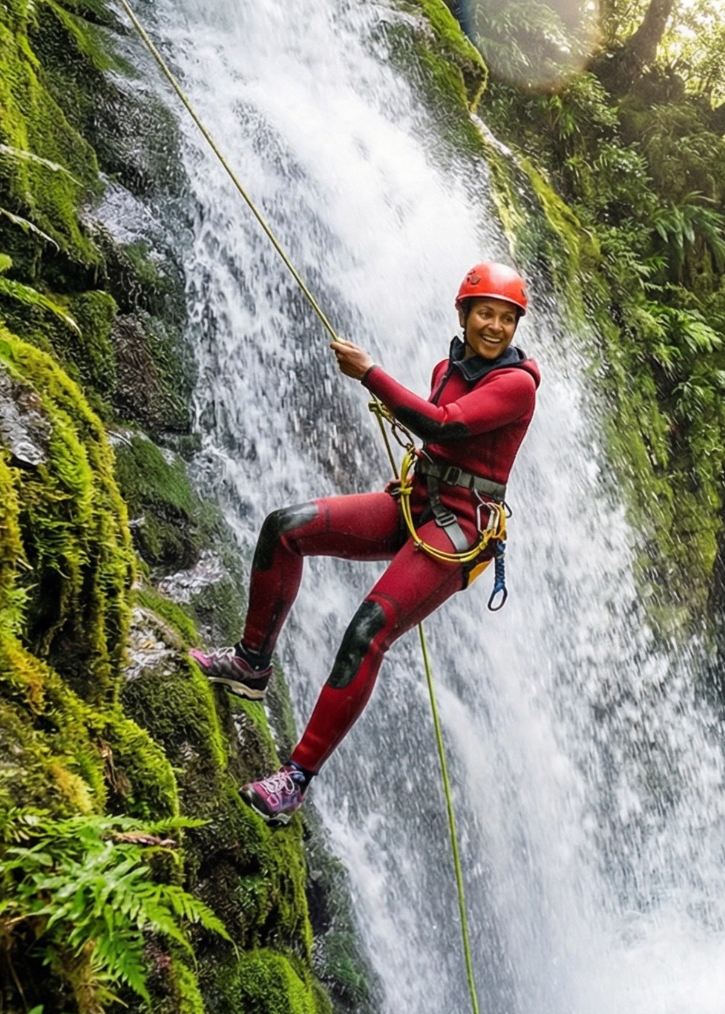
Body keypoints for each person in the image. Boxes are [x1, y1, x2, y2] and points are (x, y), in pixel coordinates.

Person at [189, 261, 541, 824]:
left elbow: (445, 425)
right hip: (416, 504)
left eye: (506, 318)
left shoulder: (517, 385)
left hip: (458, 532)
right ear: (464, 315)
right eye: (485, 314)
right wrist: (417, 475)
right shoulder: (446, 367)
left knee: (367, 630)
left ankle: (296, 779)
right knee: (286, 528)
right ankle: (251, 665)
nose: (495, 327)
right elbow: (443, 443)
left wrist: (370, 373)